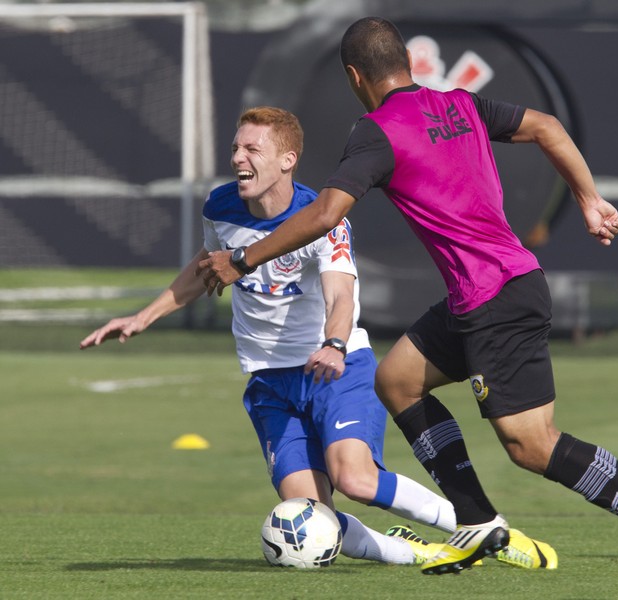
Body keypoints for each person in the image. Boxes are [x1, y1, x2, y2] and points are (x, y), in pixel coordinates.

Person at [196, 19, 618, 580]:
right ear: (408, 63)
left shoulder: (376, 130)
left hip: (500, 296)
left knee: (530, 445)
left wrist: (242, 259)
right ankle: (477, 518)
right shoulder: (459, 104)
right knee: (395, 381)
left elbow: (324, 214)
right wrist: (588, 199)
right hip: (479, 295)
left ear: (353, 76)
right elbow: (547, 125)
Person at [79, 106, 549, 570]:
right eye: (235, 148)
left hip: (336, 368)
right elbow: (206, 266)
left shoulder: (322, 217)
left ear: (288, 160)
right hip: (268, 382)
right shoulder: (219, 207)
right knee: (313, 518)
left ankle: (486, 530)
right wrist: (144, 316)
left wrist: (335, 344)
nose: (238, 158)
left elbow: (340, 296)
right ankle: (413, 552)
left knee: (357, 480)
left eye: (251, 149)